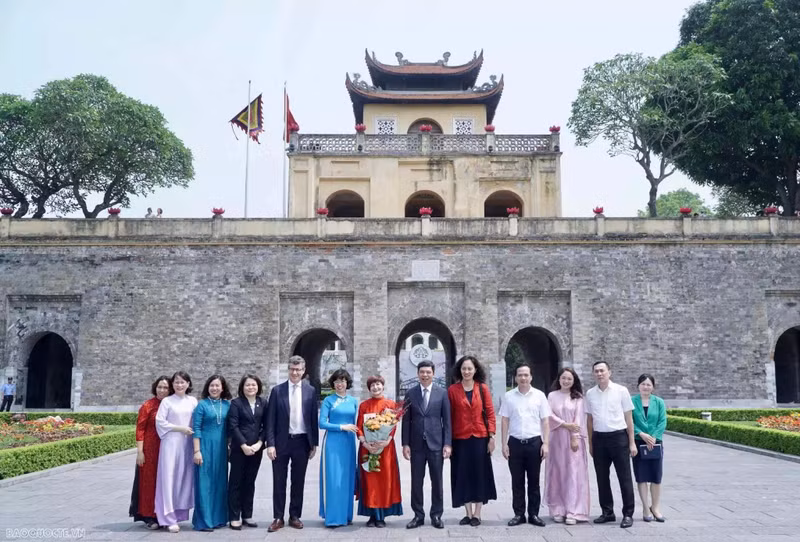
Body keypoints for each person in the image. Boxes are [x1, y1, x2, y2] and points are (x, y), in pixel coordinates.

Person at [265, 355, 319, 532]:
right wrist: (270, 444)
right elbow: (270, 420)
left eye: (299, 369)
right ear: (288, 370)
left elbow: (312, 419)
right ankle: (278, 517)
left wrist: (314, 444)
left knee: (298, 481)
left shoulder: (310, 391)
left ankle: (294, 515)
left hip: (302, 442)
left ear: (304, 371)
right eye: (292, 369)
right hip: (281, 442)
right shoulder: (277, 391)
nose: (295, 372)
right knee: (279, 481)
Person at [585, 361, 637, 529]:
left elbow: (629, 418)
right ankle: (607, 512)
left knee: (624, 477)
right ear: (593, 374)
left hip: (618, 437)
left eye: (602, 371)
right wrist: (591, 443)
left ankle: (628, 513)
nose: (599, 374)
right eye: (596, 371)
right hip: (599, 438)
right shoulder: (590, 393)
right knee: (602, 477)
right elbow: (590, 420)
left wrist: (632, 442)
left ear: (609, 372)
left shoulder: (621, 391)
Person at [401, 360, 452, 530]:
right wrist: (405, 443)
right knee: (417, 482)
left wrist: (447, 443)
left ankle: (436, 514)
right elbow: (406, 421)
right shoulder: (410, 393)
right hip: (416, 445)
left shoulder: (442, 393)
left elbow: (447, 421)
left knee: (437, 481)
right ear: (417, 374)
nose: (425, 375)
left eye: (428, 372)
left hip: (436, 444)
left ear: (433, 373)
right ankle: (418, 515)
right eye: (422, 372)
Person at [447, 355, 496, 526]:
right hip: (459, 438)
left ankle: (478, 513)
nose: (466, 371)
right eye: (463, 368)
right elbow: (449, 416)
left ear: (475, 370)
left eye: (470, 368)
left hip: (479, 438)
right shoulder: (453, 390)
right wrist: (448, 441)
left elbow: (490, 413)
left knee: (479, 474)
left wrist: (491, 436)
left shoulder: (482, 389)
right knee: (463, 474)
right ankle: (467, 512)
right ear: (459, 370)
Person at [499, 363, 551, 527]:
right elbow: (505, 420)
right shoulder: (509, 396)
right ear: (515, 377)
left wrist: (546, 443)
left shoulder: (540, 396)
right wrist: (504, 443)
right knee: (517, 481)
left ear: (531, 377)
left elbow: (545, 421)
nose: (523, 378)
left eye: (526, 375)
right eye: (520, 375)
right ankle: (519, 514)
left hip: (534, 442)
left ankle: (534, 514)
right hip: (515, 443)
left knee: (534, 481)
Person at [356, 375, 403, 527]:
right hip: (367, 449)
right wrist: (365, 443)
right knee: (370, 481)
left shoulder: (390, 404)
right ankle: (371, 515)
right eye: (372, 386)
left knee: (384, 481)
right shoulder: (364, 405)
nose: (375, 388)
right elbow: (359, 427)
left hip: (385, 449)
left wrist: (386, 441)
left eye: (378, 384)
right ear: (369, 389)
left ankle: (381, 515)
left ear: (383, 386)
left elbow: (392, 426)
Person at [545, 368, 590, 525]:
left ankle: (573, 510)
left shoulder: (578, 397)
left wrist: (575, 437)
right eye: (563, 378)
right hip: (557, 438)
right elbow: (548, 415)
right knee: (557, 473)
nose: (566, 381)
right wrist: (565, 424)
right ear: (559, 379)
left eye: (569, 379)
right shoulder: (552, 396)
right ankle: (558, 508)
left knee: (573, 474)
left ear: (574, 381)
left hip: (572, 440)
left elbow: (578, 419)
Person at [155, 371, 198, 533]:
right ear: (172, 385)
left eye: (183, 382)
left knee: (183, 478)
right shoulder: (167, 401)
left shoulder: (193, 401)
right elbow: (160, 422)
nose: (180, 385)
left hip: (187, 445)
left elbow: (197, 421)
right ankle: (167, 517)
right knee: (168, 478)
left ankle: (179, 513)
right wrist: (180, 428)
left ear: (188, 384)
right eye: (177, 382)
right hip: (170, 444)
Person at [318, 369, 359, 527]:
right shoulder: (328, 400)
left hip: (349, 443)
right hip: (333, 443)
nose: (339, 384)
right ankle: (334, 517)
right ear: (333, 384)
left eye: (342, 381)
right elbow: (322, 423)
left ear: (347, 383)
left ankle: (346, 515)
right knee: (334, 479)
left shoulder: (353, 401)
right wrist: (342, 427)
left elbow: (356, 423)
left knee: (347, 478)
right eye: (336, 381)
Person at [130, 375, 170, 529]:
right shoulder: (148, 405)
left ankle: (162, 514)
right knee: (148, 482)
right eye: (160, 387)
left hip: (167, 449)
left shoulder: (171, 404)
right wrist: (140, 452)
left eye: (166, 388)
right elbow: (140, 429)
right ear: (155, 388)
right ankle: (148, 516)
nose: (162, 390)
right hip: (150, 450)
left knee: (165, 482)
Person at [192, 375, 232, 532]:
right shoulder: (201, 405)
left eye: (217, 386)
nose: (214, 388)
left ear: (223, 388)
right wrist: (197, 451)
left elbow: (230, 428)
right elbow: (196, 428)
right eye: (211, 386)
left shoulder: (227, 405)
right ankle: (204, 521)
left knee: (220, 483)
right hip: (205, 449)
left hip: (221, 450)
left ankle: (219, 519)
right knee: (205, 484)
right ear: (207, 387)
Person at [227, 374, 267, 530]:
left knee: (250, 482)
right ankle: (234, 516)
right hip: (239, 449)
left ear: (258, 387)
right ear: (242, 387)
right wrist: (243, 444)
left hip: (256, 449)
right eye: (247, 385)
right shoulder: (236, 403)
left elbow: (266, 425)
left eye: (253, 385)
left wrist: (260, 443)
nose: (251, 387)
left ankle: (247, 514)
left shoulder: (263, 403)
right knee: (236, 482)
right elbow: (233, 426)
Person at [632, 373, 667, 523]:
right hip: (638, 443)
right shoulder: (631, 401)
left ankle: (656, 507)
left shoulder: (659, 402)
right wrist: (641, 434)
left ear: (653, 387)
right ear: (638, 385)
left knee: (656, 477)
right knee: (641, 477)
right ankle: (646, 508)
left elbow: (662, 421)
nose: (645, 387)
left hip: (655, 443)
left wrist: (653, 436)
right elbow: (627, 421)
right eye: (643, 384)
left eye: (648, 384)